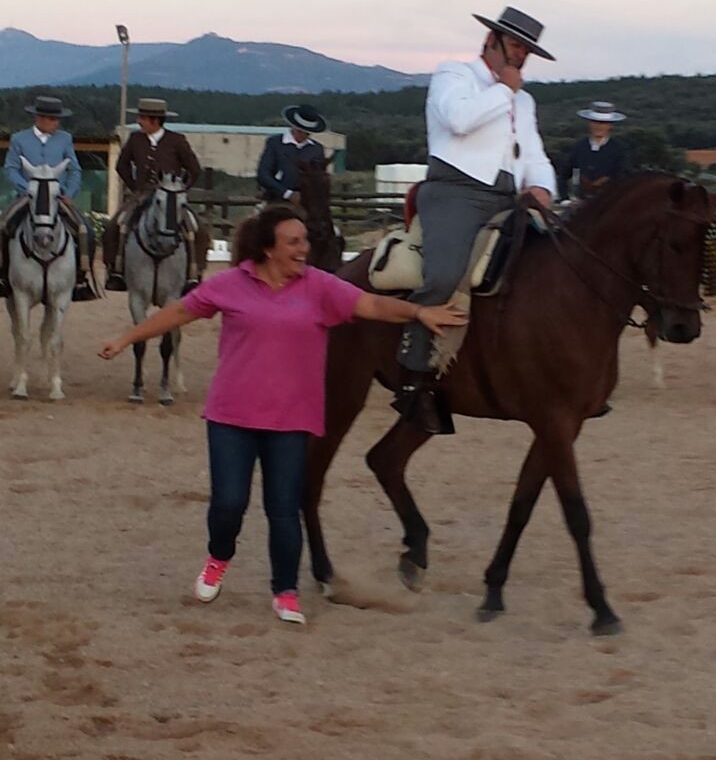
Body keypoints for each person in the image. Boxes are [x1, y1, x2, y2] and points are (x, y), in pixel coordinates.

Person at [99, 203, 466, 623]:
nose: (304, 248)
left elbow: (374, 306)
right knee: (228, 504)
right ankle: (219, 557)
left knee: (283, 509)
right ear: (268, 248)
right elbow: (179, 312)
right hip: (232, 416)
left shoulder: (320, 288)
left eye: (304, 240)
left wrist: (420, 312)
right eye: (294, 242)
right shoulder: (231, 285)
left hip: (291, 420)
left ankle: (285, 591)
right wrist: (126, 338)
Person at [394, 4, 558, 435]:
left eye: (527, 50)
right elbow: (458, 120)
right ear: (492, 40)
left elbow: (535, 153)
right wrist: (504, 90)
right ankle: (415, 381)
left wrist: (542, 186)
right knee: (446, 272)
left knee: (557, 263)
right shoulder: (455, 75)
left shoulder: (525, 101)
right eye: (516, 45)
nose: (521, 55)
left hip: (509, 194)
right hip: (456, 191)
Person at [1, 94, 98, 300]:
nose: (57, 123)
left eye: (58, 119)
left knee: (84, 229)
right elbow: (11, 169)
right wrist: (28, 188)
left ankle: (81, 278)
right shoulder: (19, 139)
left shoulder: (65, 139)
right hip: (26, 196)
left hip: (58, 197)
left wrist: (69, 193)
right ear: (40, 118)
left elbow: (74, 170)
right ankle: (2, 275)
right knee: (2, 226)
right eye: (54, 119)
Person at [105, 99, 203, 291]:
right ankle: (116, 270)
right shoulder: (135, 139)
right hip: (142, 194)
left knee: (195, 229)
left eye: (142, 118)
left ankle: (193, 273)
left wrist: (181, 190)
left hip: (171, 195)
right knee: (116, 225)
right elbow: (121, 166)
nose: (139, 121)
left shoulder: (177, 140)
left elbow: (194, 169)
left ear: (154, 120)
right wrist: (135, 187)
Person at [257, 105, 329, 203]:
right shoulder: (275, 143)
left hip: (308, 202)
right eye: (300, 131)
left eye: (307, 133)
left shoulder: (316, 149)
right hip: (277, 198)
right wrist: (286, 193)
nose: (303, 136)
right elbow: (263, 174)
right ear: (293, 127)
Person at [558, 103, 631, 198]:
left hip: (610, 201)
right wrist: (565, 199)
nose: (599, 127)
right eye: (595, 122)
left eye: (603, 123)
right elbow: (564, 175)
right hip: (581, 202)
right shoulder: (579, 147)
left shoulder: (620, 149)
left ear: (610, 126)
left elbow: (624, 177)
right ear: (589, 123)